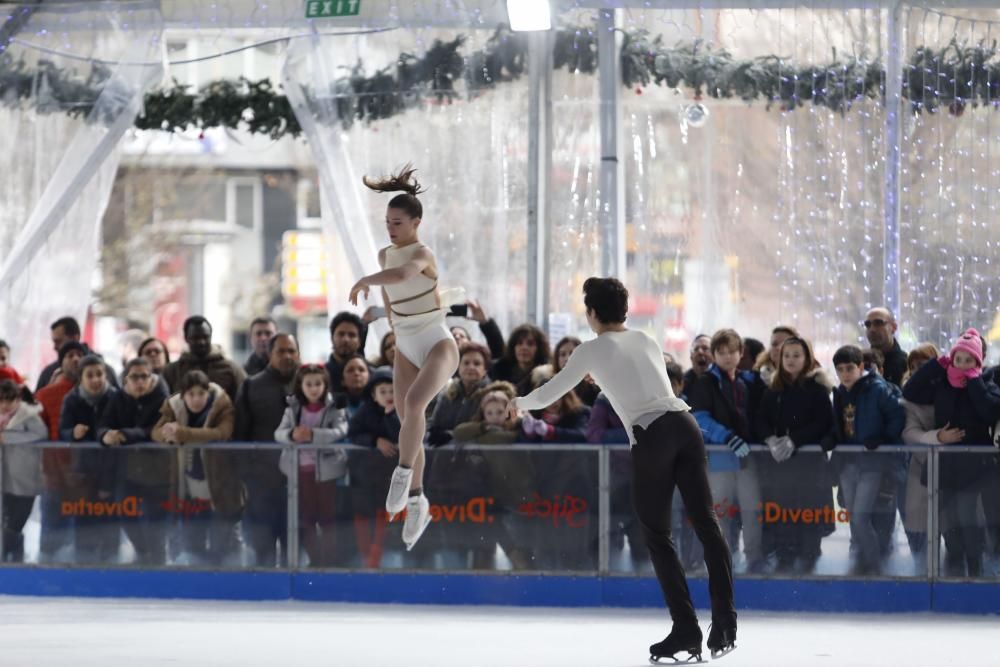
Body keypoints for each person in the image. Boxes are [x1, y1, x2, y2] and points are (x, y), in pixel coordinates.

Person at [510, 277, 736, 662]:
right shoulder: (647, 339)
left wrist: (519, 401)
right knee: (706, 525)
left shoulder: (591, 350)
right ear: (626, 311)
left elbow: (551, 392)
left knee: (657, 535)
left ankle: (686, 629)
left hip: (652, 435)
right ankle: (725, 621)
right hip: (685, 426)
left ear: (593, 313)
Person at [348, 165, 461, 551]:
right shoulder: (384, 254)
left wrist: (365, 280)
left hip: (437, 342)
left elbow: (402, 276)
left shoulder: (423, 253)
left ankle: (402, 474)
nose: (390, 228)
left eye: (397, 222)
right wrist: (390, 321)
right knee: (407, 423)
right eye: (387, 222)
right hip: (407, 343)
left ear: (416, 222)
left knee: (415, 405)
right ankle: (417, 501)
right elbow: (390, 292)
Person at [901, 329, 1000, 577]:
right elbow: (910, 391)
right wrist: (937, 365)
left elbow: (989, 411)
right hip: (944, 464)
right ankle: (954, 561)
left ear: (978, 362)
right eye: (959, 359)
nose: (964, 365)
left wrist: (975, 381)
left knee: (967, 512)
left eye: (970, 360)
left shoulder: (986, 383)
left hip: (973, 464)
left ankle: (975, 565)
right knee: (945, 516)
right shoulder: (943, 382)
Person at [688, 329, 766, 574]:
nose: (727, 357)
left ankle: (754, 558)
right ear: (714, 355)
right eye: (721, 353)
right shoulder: (706, 382)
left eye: (732, 352)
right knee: (720, 513)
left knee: (752, 510)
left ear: (740, 353)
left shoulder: (751, 381)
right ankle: (718, 559)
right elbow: (699, 417)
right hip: (720, 460)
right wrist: (727, 437)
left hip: (747, 458)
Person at [823, 345, 905, 576]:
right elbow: (838, 425)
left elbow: (897, 415)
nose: (845, 374)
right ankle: (863, 560)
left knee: (860, 517)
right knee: (853, 517)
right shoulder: (839, 393)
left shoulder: (877, 389)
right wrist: (831, 439)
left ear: (861, 367)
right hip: (847, 463)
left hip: (872, 464)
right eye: (840, 369)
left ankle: (874, 565)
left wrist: (883, 439)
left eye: (850, 368)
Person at [755, 336, 834, 573]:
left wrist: (795, 440)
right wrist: (769, 439)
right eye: (786, 355)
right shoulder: (772, 390)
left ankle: (809, 556)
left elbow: (824, 423)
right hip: (780, 468)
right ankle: (784, 556)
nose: (791, 360)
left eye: (796, 355)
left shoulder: (817, 390)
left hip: (810, 468)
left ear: (807, 359)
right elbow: (760, 421)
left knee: (808, 515)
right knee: (782, 514)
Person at [152, 370, 239, 565]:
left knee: (221, 548)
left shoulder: (222, 405)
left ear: (208, 393)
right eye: (191, 394)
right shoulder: (174, 406)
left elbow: (221, 432)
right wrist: (168, 433)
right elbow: (155, 432)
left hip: (221, 490)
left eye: (201, 393)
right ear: (183, 396)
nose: (197, 399)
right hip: (190, 490)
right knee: (192, 547)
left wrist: (182, 433)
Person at [234, 333, 301, 567]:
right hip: (261, 480)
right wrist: (246, 475)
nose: (287, 356)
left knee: (295, 547)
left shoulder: (310, 383)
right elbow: (240, 434)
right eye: (281, 351)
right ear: (270, 355)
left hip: (300, 479)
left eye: (291, 351)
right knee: (262, 546)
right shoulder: (252, 385)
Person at [97, 358, 171, 565]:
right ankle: (142, 553)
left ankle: (157, 564)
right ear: (126, 379)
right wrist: (105, 436)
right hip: (126, 473)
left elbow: (153, 431)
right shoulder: (118, 398)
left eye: (144, 376)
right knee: (126, 516)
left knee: (155, 524)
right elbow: (103, 425)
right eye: (135, 377)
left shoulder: (162, 399)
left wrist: (125, 435)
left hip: (157, 474)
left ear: (151, 377)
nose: (140, 381)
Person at [275, 364, 349, 568]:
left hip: (326, 472)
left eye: (318, 384)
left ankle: (330, 560)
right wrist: (291, 435)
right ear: (301, 385)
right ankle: (316, 560)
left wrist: (314, 435)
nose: (314, 388)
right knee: (306, 519)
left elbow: (341, 430)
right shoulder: (292, 408)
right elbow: (279, 433)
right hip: (300, 472)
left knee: (327, 520)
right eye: (309, 384)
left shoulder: (334, 407)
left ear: (325, 385)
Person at [35, 341, 86, 560]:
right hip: (54, 477)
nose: (75, 359)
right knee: (51, 543)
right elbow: (36, 433)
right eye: (69, 355)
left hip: (87, 478)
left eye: (79, 355)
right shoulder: (45, 395)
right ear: (61, 362)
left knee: (84, 540)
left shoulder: (97, 391)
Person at [347, 369, 400, 568]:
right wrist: (375, 440)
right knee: (362, 514)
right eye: (383, 391)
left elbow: (402, 434)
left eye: (391, 391)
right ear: (373, 394)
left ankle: (377, 554)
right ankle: (365, 554)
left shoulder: (401, 412)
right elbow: (353, 433)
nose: (388, 396)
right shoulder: (365, 411)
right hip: (364, 474)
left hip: (388, 475)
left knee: (383, 515)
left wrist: (390, 415)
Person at [0, 378, 46, 562]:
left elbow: (40, 434)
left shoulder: (29, 415)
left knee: (17, 522)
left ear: (18, 399)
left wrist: (8, 438)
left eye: (9, 400)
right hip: (4, 480)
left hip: (24, 477)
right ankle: (9, 556)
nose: (5, 405)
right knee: (6, 520)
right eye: (1, 400)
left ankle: (14, 554)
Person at [162, 316, 246, 401]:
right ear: (186, 338)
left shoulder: (231, 369)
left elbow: (244, 400)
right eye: (196, 338)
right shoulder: (171, 371)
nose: (201, 342)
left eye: (205, 337)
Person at [426, 343, 492, 446]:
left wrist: (451, 435)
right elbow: (433, 425)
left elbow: (489, 428)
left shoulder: (491, 396)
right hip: (445, 456)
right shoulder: (446, 395)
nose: (471, 367)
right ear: (458, 367)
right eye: (466, 363)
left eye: (477, 363)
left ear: (485, 370)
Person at [36, 317, 118, 390]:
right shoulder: (49, 373)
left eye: (59, 341)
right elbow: (36, 404)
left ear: (75, 338)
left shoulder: (106, 371)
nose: (55, 347)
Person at [491, 324, 551, 395]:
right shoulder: (499, 372)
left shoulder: (546, 375)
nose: (524, 347)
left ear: (539, 348)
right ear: (513, 347)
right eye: (519, 343)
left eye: (530, 344)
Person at [325, 312, 371, 394]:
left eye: (352, 335)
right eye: (341, 334)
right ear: (332, 338)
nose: (346, 339)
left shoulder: (372, 374)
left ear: (360, 341)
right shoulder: (322, 375)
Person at [864, 307, 908, 387]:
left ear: (894, 327)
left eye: (878, 323)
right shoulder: (860, 363)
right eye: (868, 325)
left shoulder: (907, 364)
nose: (872, 329)